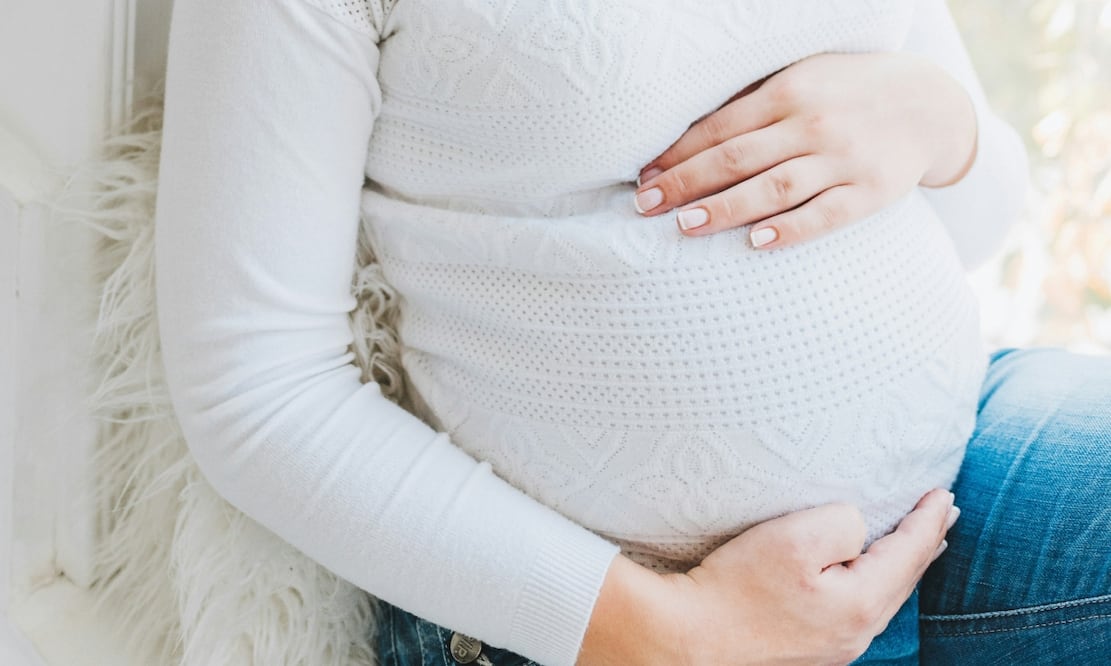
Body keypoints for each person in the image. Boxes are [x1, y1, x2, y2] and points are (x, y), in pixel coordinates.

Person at [153, 0, 1111, 664]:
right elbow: (256, 390)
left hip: (952, 478)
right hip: (605, 614)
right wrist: (669, 636)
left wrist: (940, 121)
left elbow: (976, 221)